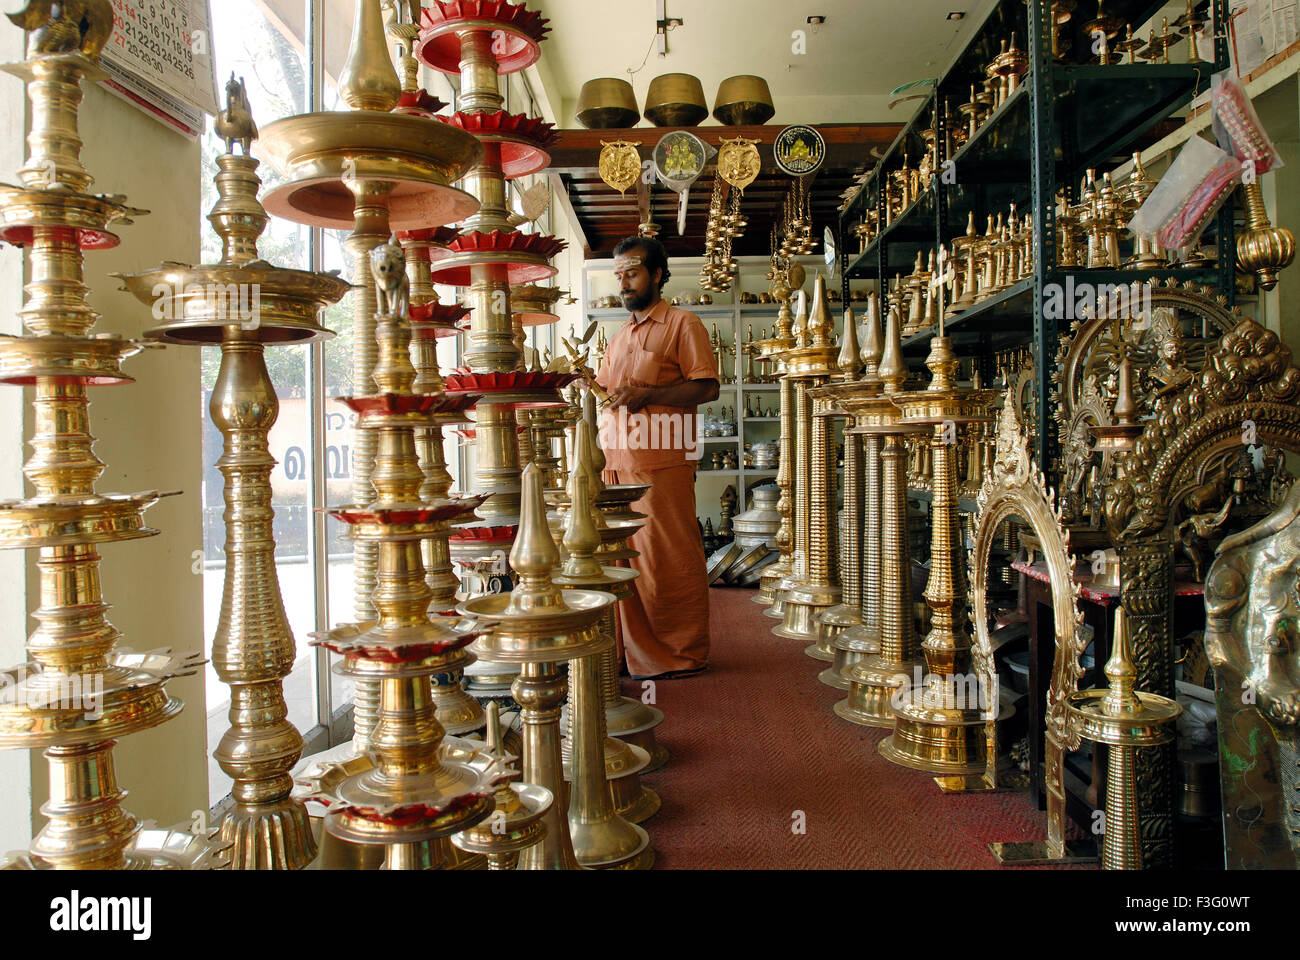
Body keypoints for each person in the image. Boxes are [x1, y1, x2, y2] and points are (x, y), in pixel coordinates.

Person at [594, 236, 720, 679]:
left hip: (662, 465)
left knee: (667, 561)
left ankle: (682, 654)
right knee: (624, 562)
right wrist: (583, 384)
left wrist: (648, 396)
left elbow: (707, 387)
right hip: (615, 465)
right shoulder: (619, 336)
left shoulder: (683, 324)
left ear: (658, 274)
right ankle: (635, 655)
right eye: (619, 276)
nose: (624, 284)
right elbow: (611, 394)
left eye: (632, 273)